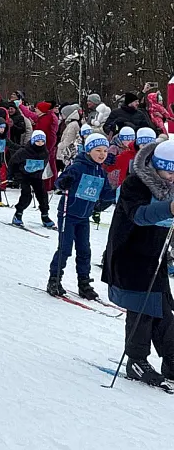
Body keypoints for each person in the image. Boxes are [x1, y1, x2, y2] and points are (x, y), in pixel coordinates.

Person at [101, 139, 174, 388]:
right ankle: (136, 359)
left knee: (164, 311)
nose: (173, 177)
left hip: (156, 257)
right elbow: (140, 216)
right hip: (130, 255)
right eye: (170, 172)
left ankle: (172, 360)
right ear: (156, 167)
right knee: (141, 311)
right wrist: (170, 209)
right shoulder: (136, 183)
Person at [47, 133, 116, 300]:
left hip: (84, 217)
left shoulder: (101, 171)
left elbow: (105, 193)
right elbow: (59, 182)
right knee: (65, 248)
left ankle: (84, 282)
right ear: (88, 150)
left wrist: (119, 194)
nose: (102, 154)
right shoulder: (77, 167)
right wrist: (64, 182)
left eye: (105, 151)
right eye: (98, 150)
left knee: (84, 250)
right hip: (68, 213)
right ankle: (54, 279)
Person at [9, 130, 54, 229]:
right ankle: (18, 214)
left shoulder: (45, 152)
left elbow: (44, 165)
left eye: (42, 142)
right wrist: (13, 176)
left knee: (43, 195)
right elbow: (13, 163)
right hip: (24, 176)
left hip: (37, 177)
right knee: (26, 195)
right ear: (33, 141)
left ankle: (45, 215)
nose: (40, 144)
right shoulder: (24, 151)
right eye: (38, 141)